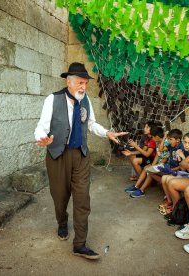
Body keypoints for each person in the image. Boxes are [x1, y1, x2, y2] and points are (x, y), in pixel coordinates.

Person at [34, 62, 127, 260]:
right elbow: (41, 126)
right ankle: (61, 222)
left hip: (81, 155)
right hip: (57, 155)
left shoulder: (86, 101)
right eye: (80, 83)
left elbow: (91, 123)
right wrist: (42, 137)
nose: (83, 87)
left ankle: (80, 244)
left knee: (82, 199)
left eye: (85, 83)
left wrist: (107, 132)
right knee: (60, 197)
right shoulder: (53, 99)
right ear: (69, 82)